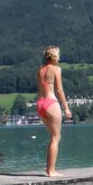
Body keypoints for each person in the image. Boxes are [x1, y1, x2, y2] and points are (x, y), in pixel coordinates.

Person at [36, 45, 72, 177]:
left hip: (40, 103)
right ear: (55, 56)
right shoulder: (56, 69)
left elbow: (41, 88)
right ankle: (51, 170)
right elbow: (59, 90)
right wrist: (66, 107)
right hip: (51, 103)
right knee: (56, 137)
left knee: (52, 137)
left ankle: (48, 168)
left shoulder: (40, 70)